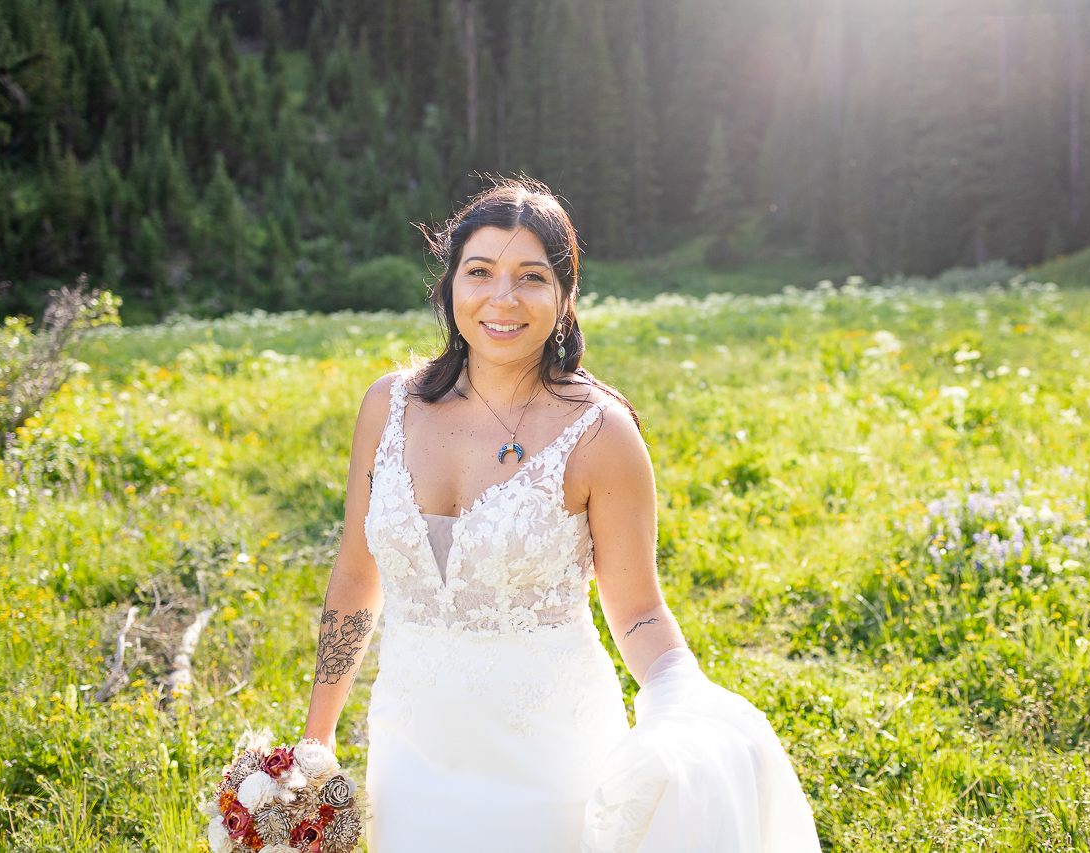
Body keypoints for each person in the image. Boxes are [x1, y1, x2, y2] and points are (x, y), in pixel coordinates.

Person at [301, 178, 819, 852]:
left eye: (531, 277)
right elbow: (354, 576)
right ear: (449, 284)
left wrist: (682, 689)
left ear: (565, 293)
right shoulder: (388, 406)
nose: (502, 297)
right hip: (409, 753)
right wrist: (316, 738)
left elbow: (637, 609)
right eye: (480, 271)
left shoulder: (600, 432)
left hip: (549, 761)